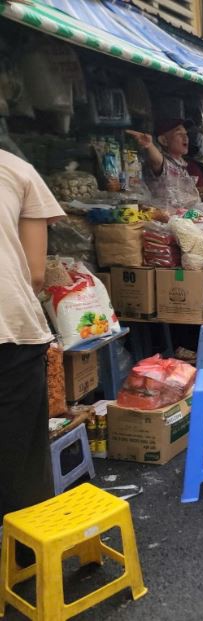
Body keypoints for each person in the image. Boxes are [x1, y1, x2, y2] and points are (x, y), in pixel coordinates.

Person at [0, 150, 65, 543]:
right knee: (22, 463)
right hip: (10, 329)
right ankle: (27, 557)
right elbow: (36, 274)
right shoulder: (15, 169)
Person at [127, 119, 203, 192]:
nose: (185, 137)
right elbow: (158, 161)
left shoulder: (181, 165)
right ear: (164, 140)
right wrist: (150, 145)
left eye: (185, 133)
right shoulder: (165, 163)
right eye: (179, 134)